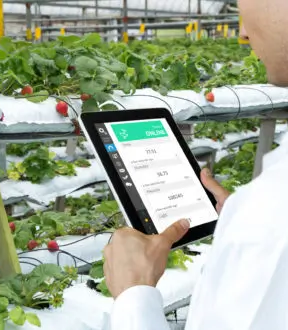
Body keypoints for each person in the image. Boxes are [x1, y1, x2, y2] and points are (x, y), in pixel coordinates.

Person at [104, 0, 288, 329]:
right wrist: (243, 217)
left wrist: (134, 295)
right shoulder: (270, 215)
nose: (243, 33)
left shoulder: (273, 222)